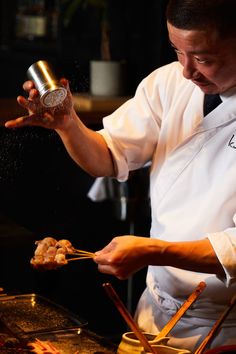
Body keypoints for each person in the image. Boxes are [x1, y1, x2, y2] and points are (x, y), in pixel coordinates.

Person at [5, 0, 236, 351]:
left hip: (225, 328)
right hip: (154, 315)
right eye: (178, 51)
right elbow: (108, 156)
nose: (187, 71)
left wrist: (154, 251)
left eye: (203, 58)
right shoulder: (168, 83)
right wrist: (68, 125)